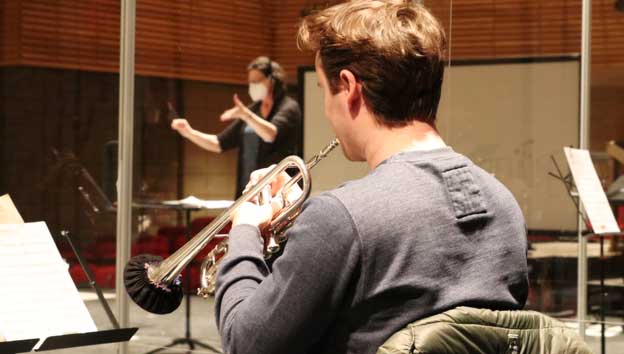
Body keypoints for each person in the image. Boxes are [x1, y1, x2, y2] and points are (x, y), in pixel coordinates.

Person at [213, 1, 530, 354]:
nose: (326, 110)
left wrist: (246, 231)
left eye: (322, 89)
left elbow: (245, 343)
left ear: (348, 87)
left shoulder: (340, 220)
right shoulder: (504, 205)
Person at [170, 56, 302, 197]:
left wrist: (245, 114)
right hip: (248, 191)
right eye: (250, 82)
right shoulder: (252, 110)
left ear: (272, 80)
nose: (253, 86)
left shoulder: (288, 107)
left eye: (256, 81)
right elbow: (218, 143)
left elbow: (270, 134)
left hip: (278, 191)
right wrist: (189, 132)